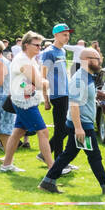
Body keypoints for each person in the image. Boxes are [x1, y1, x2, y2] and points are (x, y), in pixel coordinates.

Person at [39, 46, 105, 193]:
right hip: (82, 125)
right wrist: (78, 128)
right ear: (87, 60)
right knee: (94, 156)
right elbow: (74, 104)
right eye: (97, 59)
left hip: (81, 123)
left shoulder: (88, 76)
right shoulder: (80, 79)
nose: (100, 62)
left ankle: (48, 181)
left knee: (68, 154)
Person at [0, 32, 55, 172]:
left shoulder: (30, 60)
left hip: (24, 99)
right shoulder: (23, 60)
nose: (39, 48)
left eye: (40, 45)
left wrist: (31, 85)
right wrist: (46, 82)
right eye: (36, 45)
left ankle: (6, 165)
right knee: (43, 132)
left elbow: (21, 82)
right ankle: (52, 168)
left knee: (18, 132)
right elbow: (39, 83)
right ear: (26, 45)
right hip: (25, 102)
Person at [39, 23, 73, 160]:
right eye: (64, 35)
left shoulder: (63, 51)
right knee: (61, 129)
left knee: (64, 128)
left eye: (68, 35)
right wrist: (46, 99)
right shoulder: (49, 52)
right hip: (56, 94)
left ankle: (46, 154)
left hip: (65, 93)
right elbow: (43, 76)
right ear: (56, 35)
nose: (67, 37)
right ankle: (58, 161)